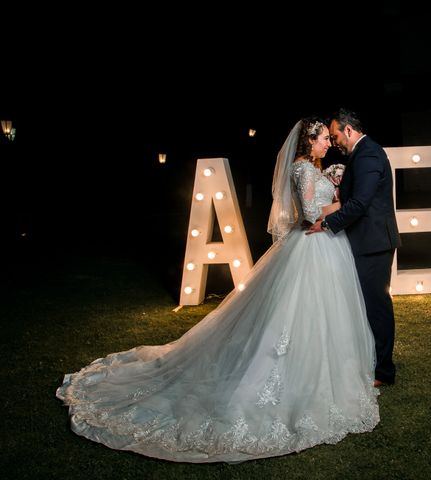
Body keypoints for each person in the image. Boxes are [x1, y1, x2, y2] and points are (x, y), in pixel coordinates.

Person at [56, 117, 379, 463]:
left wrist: (336, 188)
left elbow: (320, 206)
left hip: (327, 245)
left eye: (329, 140)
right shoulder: (301, 169)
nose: (328, 144)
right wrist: (343, 204)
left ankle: (326, 376)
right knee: (293, 316)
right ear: (308, 142)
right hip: (312, 245)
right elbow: (310, 213)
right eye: (322, 139)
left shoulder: (315, 168)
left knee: (327, 315)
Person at [307, 108, 400, 388]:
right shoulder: (363, 153)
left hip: (373, 243)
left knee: (377, 306)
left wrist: (326, 224)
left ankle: (384, 371)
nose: (335, 143)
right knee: (365, 305)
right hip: (365, 240)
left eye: (336, 136)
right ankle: (371, 361)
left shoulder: (369, 153)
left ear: (349, 130)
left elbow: (360, 204)